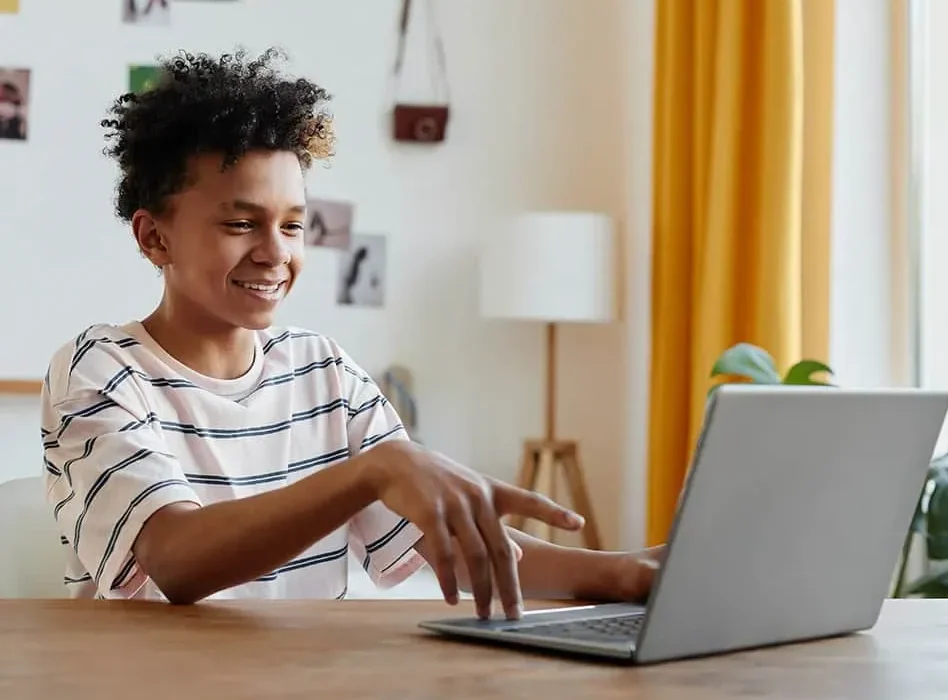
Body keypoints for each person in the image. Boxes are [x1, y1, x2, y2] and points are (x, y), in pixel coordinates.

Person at [40, 48, 664, 621]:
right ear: (154, 237)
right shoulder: (99, 370)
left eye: (292, 225)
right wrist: (371, 471)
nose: (274, 253)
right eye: (240, 223)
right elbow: (176, 559)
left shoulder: (321, 370)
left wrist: (630, 572)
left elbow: (437, 531)